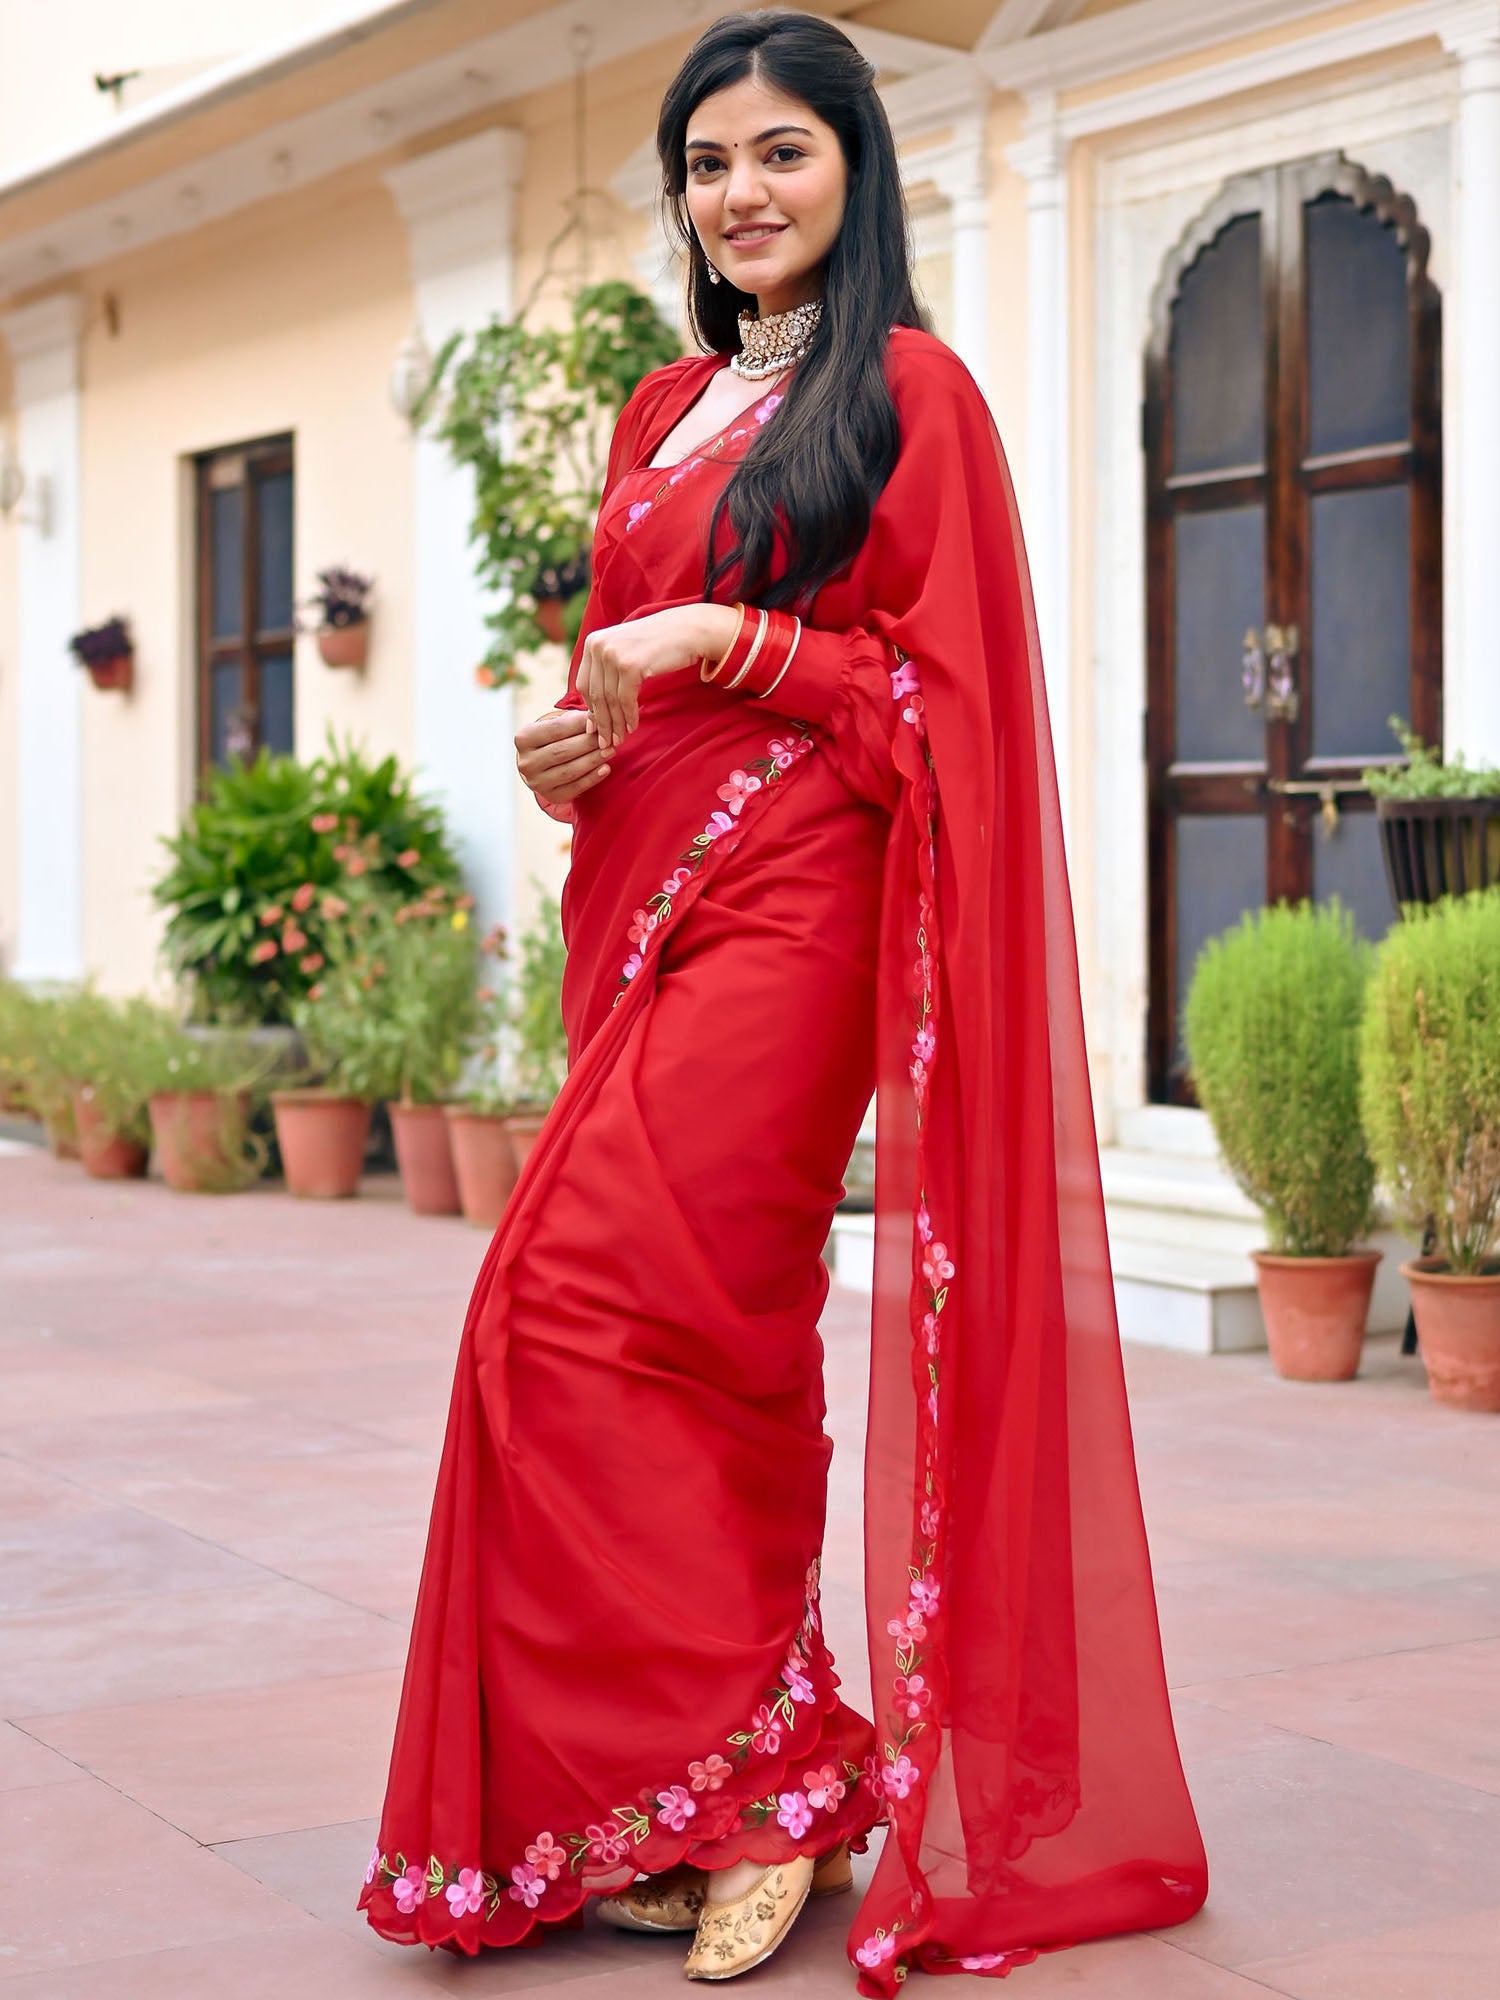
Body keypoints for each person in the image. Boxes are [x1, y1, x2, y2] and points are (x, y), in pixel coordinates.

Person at [359, 10, 1209, 1990]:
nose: (741, 194)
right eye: (710, 161)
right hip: (648, 902)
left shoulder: (911, 392)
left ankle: (776, 1786)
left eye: (781, 156)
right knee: (654, 1337)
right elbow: (611, 683)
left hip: (802, 912)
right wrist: (564, 749)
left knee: (593, 1302)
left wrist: (739, 638)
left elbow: (949, 709)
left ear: (855, 170)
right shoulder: (658, 407)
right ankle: (717, 1770)